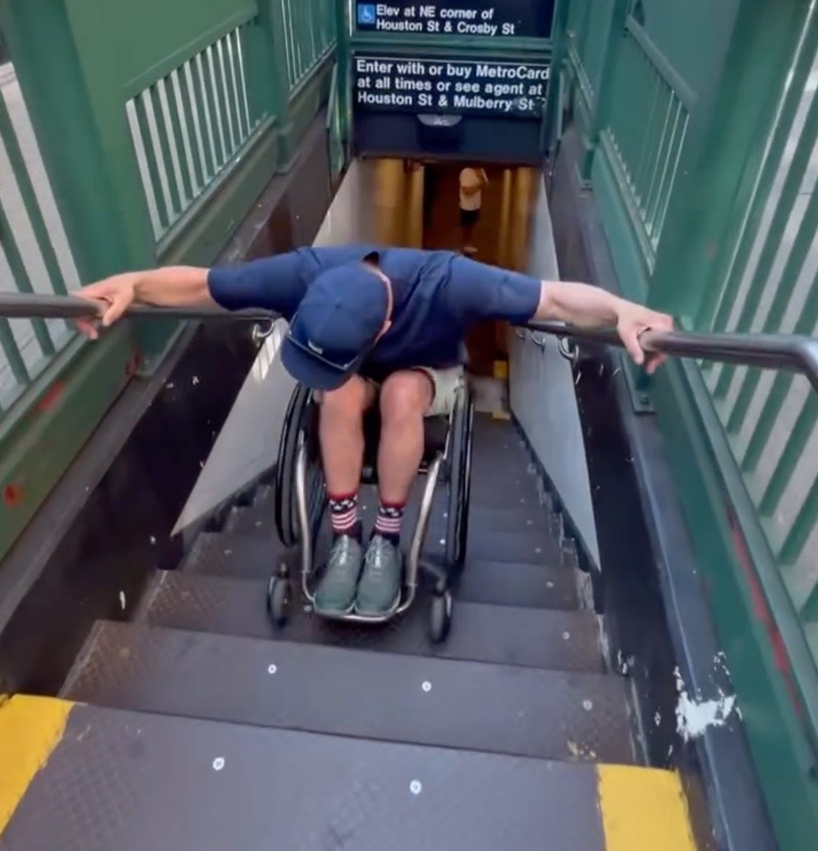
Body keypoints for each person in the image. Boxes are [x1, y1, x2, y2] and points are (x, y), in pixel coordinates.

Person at [73, 245, 673, 619]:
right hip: (349, 373)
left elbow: (555, 302)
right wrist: (134, 282)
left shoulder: (450, 281)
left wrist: (621, 311)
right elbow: (206, 285)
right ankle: (344, 536)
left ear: (384, 320)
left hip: (426, 375)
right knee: (338, 390)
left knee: (401, 393)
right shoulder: (306, 272)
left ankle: (386, 537)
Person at [458, 167, 486, 256]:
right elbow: (467, 191)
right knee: (465, 228)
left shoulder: (481, 171)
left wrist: (481, 177)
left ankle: (468, 245)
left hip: (476, 205)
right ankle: (462, 248)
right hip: (466, 206)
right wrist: (479, 184)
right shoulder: (465, 172)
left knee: (472, 226)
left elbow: (485, 184)